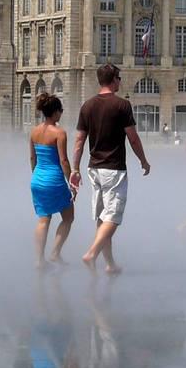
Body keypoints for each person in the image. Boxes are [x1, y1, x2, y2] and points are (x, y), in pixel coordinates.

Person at [74, 64, 152, 275]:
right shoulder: (122, 105)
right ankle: (91, 254)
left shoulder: (87, 106)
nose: (120, 81)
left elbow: (79, 141)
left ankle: (109, 264)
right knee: (113, 217)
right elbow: (133, 138)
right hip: (114, 169)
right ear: (113, 79)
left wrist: (75, 168)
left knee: (102, 216)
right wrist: (143, 161)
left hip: (94, 168)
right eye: (119, 78)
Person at [30, 92, 77, 269]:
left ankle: (39, 260)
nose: (62, 114)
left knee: (43, 219)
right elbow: (64, 160)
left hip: (37, 179)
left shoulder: (34, 131)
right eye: (61, 110)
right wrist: (72, 182)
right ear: (56, 112)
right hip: (54, 179)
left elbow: (32, 158)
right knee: (68, 217)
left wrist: (35, 176)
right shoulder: (59, 133)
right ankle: (55, 253)